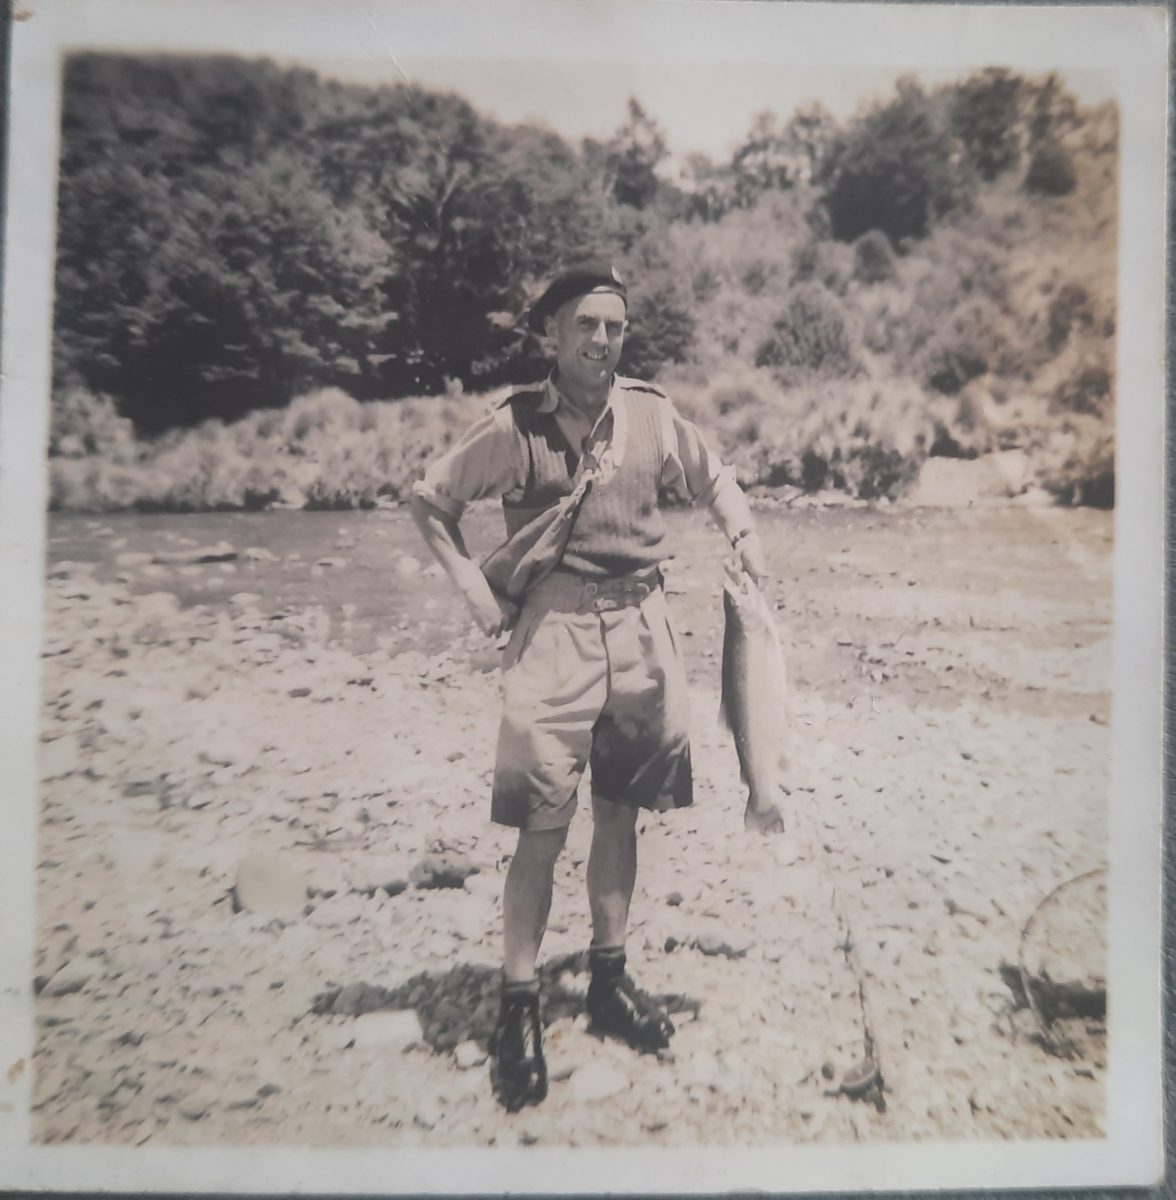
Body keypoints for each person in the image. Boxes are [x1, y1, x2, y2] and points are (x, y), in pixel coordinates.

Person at [410, 261, 768, 1112]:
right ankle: (519, 1004)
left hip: (644, 630)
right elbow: (429, 502)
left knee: (620, 811)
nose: (602, 340)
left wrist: (745, 534)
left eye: (614, 326)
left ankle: (608, 980)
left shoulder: (652, 413)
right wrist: (473, 592)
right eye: (586, 326)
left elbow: (714, 478)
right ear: (553, 334)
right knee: (541, 825)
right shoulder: (514, 427)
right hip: (553, 638)